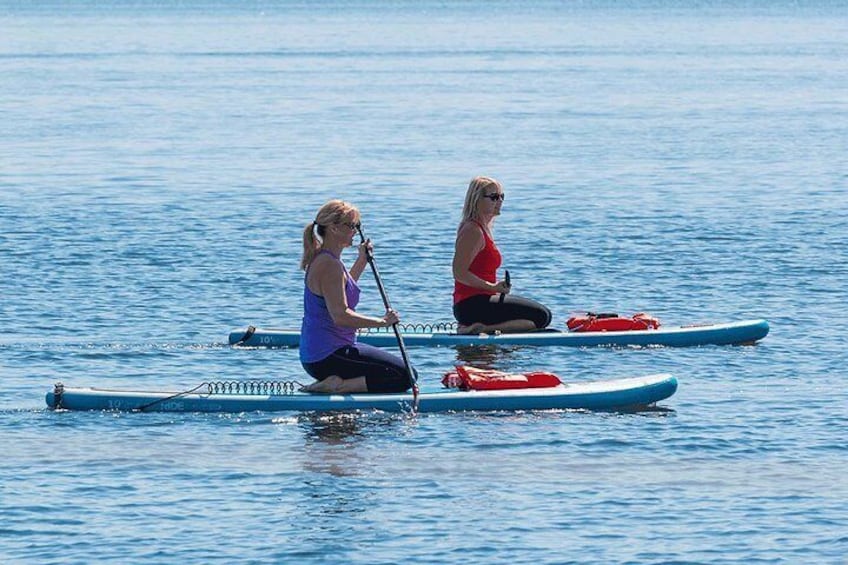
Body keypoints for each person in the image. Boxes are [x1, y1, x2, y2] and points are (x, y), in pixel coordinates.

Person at [299, 199, 415, 394]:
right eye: (352, 226)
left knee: (405, 372)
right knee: (405, 376)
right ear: (334, 228)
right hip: (326, 356)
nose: (356, 231)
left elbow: (341, 291)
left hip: (323, 353)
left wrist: (361, 260)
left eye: (357, 226)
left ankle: (337, 382)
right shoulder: (330, 265)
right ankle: (337, 385)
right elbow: (341, 316)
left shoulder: (329, 259)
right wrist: (382, 322)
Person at [452, 176, 552, 334]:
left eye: (501, 197)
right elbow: (459, 272)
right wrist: (492, 287)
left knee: (542, 318)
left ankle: (479, 328)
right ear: (477, 199)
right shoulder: (473, 230)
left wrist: (497, 288)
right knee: (542, 316)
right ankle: (480, 329)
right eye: (493, 197)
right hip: (470, 305)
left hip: (484, 299)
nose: (499, 201)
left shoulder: (483, 229)